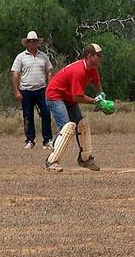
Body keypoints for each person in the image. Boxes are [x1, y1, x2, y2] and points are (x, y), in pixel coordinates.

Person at [43, 43, 114, 172]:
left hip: (68, 97)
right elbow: (78, 97)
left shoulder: (92, 68)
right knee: (67, 128)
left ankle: (85, 159)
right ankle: (50, 162)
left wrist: (102, 98)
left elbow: (97, 84)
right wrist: (96, 102)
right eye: (98, 56)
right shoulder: (79, 71)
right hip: (55, 95)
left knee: (82, 125)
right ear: (89, 56)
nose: (101, 58)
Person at [11, 30, 53, 149]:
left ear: (37, 43)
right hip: (26, 90)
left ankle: (47, 140)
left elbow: (49, 70)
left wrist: (50, 87)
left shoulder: (43, 56)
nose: (33, 43)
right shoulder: (20, 57)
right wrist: (17, 91)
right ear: (27, 43)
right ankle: (30, 140)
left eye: (35, 41)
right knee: (28, 116)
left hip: (41, 90)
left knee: (45, 113)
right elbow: (15, 74)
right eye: (31, 41)